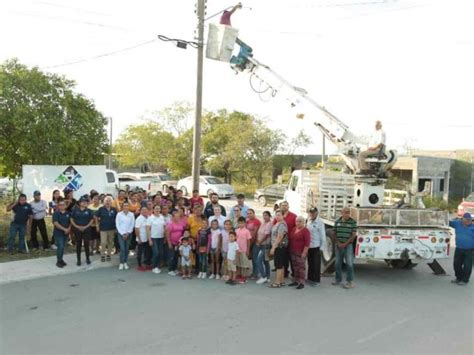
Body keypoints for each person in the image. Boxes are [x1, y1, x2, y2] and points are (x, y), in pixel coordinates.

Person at [331, 207, 357, 289]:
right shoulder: (337, 221)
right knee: (337, 263)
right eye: (345, 212)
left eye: (348, 212)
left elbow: (353, 235)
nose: (347, 214)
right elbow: (334, 233)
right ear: (341, 213)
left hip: (348, 245)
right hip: (338, 245)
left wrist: (345, 243)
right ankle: (338, 279)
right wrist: (338, 243)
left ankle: (349, 281)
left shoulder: (353, 222)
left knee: (349, 263)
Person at [449, 213, 474, 285]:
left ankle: (465, 280)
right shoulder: (457, 224)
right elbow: (448, 222)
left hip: (469, 250)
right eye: (466, 220)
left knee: (467, 266)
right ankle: (458, 278)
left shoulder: (473, 227)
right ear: (462, 219)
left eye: (469, 220)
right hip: (459, 249)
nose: (468, 222)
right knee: (456, 264)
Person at [275, 201, 297, 277]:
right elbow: (274, 226)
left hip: (291, 240)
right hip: (280, 241)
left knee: (292, 258)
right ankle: (284, 273)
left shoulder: (294, 216)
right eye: (282, 205)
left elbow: (297, 228)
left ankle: (295, 274)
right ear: (280, 207)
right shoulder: (278, 216)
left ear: (288, 206)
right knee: (283, 258)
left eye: (286, 205)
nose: (284, 207)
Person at [70, 196, 94, 266]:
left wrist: (86, 226)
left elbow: (91, 220)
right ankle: (78, 259)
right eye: (83, 202)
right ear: (80, 203)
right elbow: (71, 219)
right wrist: (76, 226)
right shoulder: (75, 210)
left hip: (86, 229)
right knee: (78, 245)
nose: (85, 203)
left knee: (86, 244)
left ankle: (87, 258)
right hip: (77, 230)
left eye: (86, 202)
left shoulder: (89, 211)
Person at [288, 216, 311, 290]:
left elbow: (307, 243)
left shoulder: (305, 231)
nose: (298, 223)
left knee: (301, 268)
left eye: (300, 221)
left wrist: (304, 253)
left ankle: (302, 282)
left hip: (300, 252)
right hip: (293, 251)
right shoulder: (294, 229)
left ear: (303, 222)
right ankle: (296, 280)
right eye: (297, 221)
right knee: (295, 267)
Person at [306, 207, 326, 286]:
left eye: (313, 213)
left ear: (317, 213)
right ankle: (310, 278)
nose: (311, 214)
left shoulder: (320, 223)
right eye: (310, 212)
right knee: (310, 263)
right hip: (309, 246)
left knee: (316, 264)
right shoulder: (308, 220)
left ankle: (316, 281)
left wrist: (321, 248)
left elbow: (323, 237)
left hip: (316, 246)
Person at [95, 196, 118, 262]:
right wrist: (97, 225)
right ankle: (102, 255)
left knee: (110, 242)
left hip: (112, 228)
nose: (108, 202)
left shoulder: (114, 209)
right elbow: (96, 216)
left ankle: (109, 255)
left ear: (111, 202)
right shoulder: (101, 209)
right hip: (103, 229)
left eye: (109, 201)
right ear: (104, 202)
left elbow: (117, 218)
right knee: (103, 242)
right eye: (106, 201)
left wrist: (116, 227)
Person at [269, 210, 288, 288]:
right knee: (281, 265)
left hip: (279, 247)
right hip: (280, 247)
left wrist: (273, 247)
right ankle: (282, 281)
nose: (277, 216)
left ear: (283, 216)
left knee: (278, 265)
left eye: (279, 215)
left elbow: (279, 237)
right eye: (276, 215)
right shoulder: (278, 223)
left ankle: (277, 282)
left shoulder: (282, 225)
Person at [166, 210, 187, 276]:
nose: (177, 218)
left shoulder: (180, 223)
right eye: (176, 216)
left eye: (178, 216)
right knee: (171, 256)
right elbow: (167, 234)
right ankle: (170, 270)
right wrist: (169, 243)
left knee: (176, 256)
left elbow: (184, 230)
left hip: (179, 243)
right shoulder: (170, 224)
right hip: (172, 242)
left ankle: (174, 269)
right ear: (173, 217)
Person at [146, 205, 166, 274]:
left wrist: (165, 237)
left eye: (159, 209)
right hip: (153, 238)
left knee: (161, 253)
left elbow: (164, 227)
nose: (157, 210)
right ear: (153, 210)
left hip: (161, 237)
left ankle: (157, 266)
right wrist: (149, 240)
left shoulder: (162, 217)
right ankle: (154, 267)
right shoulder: (150, 218)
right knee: (156, 253)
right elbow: (148, 229)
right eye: (156, 209)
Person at [115, 201, 135, 270]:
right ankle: (121, 263)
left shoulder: (131, 214)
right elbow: (117, 225)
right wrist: (122, 233)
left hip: (129, 234)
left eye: (127, 206)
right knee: (122, 249)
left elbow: (132, 224)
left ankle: (125, 262)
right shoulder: (119, 214)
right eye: (124, 206)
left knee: (126, 249)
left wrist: (128, 233)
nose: (126, 207)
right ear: (122, 207)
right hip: (121, 234)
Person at [52, 199, 70, 268]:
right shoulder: (56, 213)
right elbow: (56, 223)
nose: (62, 206)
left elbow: (70, 222)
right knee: (61, 246)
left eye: (63, 204)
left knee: (63, 247)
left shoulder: (68, 213)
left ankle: (61, 259)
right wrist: (64, 229)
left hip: (66, 233)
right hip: (58, 233)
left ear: (65, 206)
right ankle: (58, 261)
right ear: (58, 206)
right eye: (60, 205)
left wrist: (68, 229)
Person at [255, 211, 272, 284]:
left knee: (258, 260)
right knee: (265, 261)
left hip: (266, 244)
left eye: (266, 215)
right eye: (263, 215)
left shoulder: (270, 224)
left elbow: (267, 235)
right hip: (261, 244)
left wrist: (260, 242)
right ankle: (267, 277)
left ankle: (263, 276)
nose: (265, 217)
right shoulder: (263, 223)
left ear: (269, 216)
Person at [235, 216, 252, 283]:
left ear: (245, 223)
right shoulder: (236, 230)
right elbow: (235, 240)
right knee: (238, 263)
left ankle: (244, 276)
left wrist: (248, 250)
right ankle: (238, 275)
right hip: (237, 250)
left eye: (242, 223)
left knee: (244, 264)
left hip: (244, 250)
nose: (241, 224)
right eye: (239, 223)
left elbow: (248, 241)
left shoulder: (247, 231)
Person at [246, 209, 261, 279]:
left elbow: (255, 233)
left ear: (254, 213)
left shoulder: (257, 221)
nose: (249, 215)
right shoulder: (247, 221)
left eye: (250, 213)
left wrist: (251, 243)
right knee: (252, 258)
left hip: (255, 242)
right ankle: (254, 273)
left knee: (255, 258)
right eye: (248, 213)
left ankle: (257, 274)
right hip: (249, 241)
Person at [135, 206, 150, 271]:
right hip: (141, 238)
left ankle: (146, 264)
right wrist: (139, 238)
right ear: (141, 211)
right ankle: (139, 265)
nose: (144, 211)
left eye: (146, 210)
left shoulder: (149, 217)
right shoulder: (139, 218)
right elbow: (136, 229)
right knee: (140, 253)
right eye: (143, 210)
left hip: (147, 238)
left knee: (147, 252)